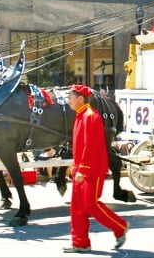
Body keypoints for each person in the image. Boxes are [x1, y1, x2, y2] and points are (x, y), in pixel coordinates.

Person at [64, 84, 128, 253]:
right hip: (81, 168)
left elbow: (89, 147)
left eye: (71, 97)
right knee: (77, 207)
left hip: (92, 169)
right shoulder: (80, 115)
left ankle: (120, 227)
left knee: (91, 205)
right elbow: (79, 147)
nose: (68, 101)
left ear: (80, 99)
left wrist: (82, 169)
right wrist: (75, 166)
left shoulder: (91, 116)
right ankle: (80, 243)